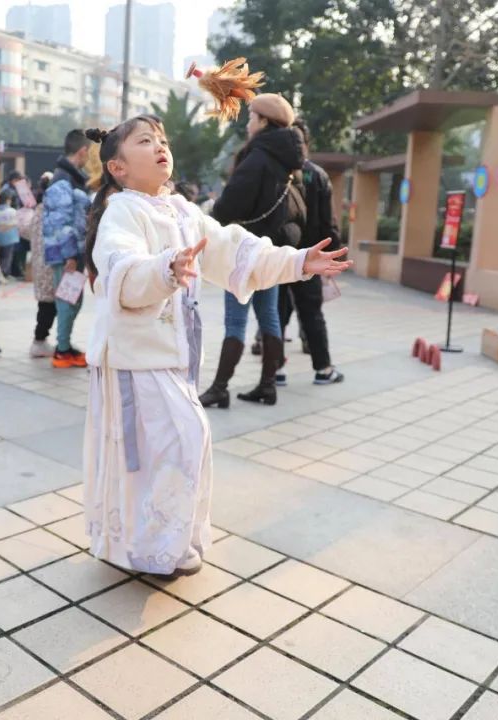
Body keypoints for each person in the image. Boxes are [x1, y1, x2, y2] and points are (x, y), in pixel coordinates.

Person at [81, 115, 351, 577]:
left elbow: (236, 249)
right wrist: (165, 269)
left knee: (184, 444)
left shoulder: (184, 212)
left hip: (171, 359)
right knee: (172, 444)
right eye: (145, 141)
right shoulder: (122, 211)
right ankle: (149, 546)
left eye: (162, 139)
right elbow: (120, 266)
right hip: (134, 357)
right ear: (118, 167)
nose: (160, 146)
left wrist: (299, 261)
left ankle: (166, 542)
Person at [199, 93, 306, 408]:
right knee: (270, 318)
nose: (248, 124)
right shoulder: (290, 161)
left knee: (236, 321)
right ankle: (268, 385)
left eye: (251, 118)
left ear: (263, 121)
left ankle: (219, 388)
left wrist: (211, 224)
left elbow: (230, 203)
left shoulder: (257, 157)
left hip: (244, 250)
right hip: (270, 252)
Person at [279, 119, 344, 385]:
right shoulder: (318, 175)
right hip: (311, 258)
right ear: (307, 143)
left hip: (279, 257)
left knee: (277, 314)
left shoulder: (276, 172)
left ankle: (274, 372)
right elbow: (328, 223)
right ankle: (323, 369)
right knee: (312, 314)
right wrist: (333, 253)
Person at [42, 129, 92, 369]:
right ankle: (62, 351)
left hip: (74, 251)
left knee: (74, 300)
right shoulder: (62, 179)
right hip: (66, 254)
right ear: (82, 151)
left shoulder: (70, 177)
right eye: (89, 153)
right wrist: (70, 254)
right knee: (67, 301)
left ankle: (65, 346)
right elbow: (59, 223)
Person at [29, 173, 57, 358]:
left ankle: (40, 340)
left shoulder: (37, 210)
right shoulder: (52, 211)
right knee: (48, 307)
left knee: (45, 305)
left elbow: (24, 230)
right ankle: (39, 341)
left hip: (39, 266)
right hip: (50, 266)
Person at [0, 189, 20, 279]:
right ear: (8, 200)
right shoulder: (12, 211)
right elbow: (17, 223)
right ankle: (5, 273)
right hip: (10, 237)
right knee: (7, 256)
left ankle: (0, 272)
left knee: (0, 255)